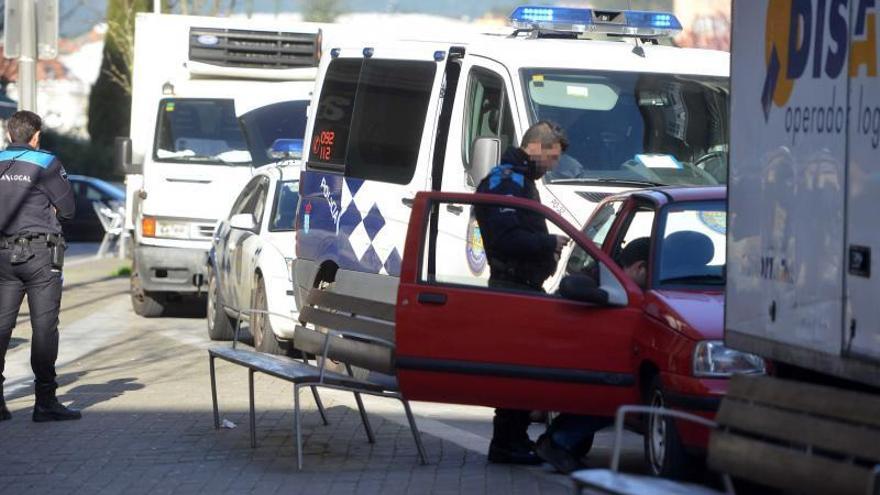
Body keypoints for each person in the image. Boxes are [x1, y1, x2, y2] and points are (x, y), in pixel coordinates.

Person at [474, 121, 569, 464]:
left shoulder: (520, 180)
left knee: (522, 366)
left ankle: (514, 439)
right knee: (517, 368)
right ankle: (506, 443)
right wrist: (548, 242)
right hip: (512, 288)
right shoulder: (507, 181)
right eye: (552, 157)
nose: (553, 165)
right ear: (535, 148)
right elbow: (506, 238)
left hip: (523, 287)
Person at [536, 237, 651, 473]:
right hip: (581, 359)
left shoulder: (623, 279)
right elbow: (573, 288)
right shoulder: (601, 277)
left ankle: (556, 440)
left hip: (607, 361)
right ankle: (559, 441)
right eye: (651, 273)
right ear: (639, 267)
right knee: (614, 392)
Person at [0, 110, 80, 422]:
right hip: (39, 255)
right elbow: (69, 210)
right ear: (35, 137)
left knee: (2, 327)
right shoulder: (46, 162)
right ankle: (45, 401)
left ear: (9, 135)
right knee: (44, 328)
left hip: (2, 257)